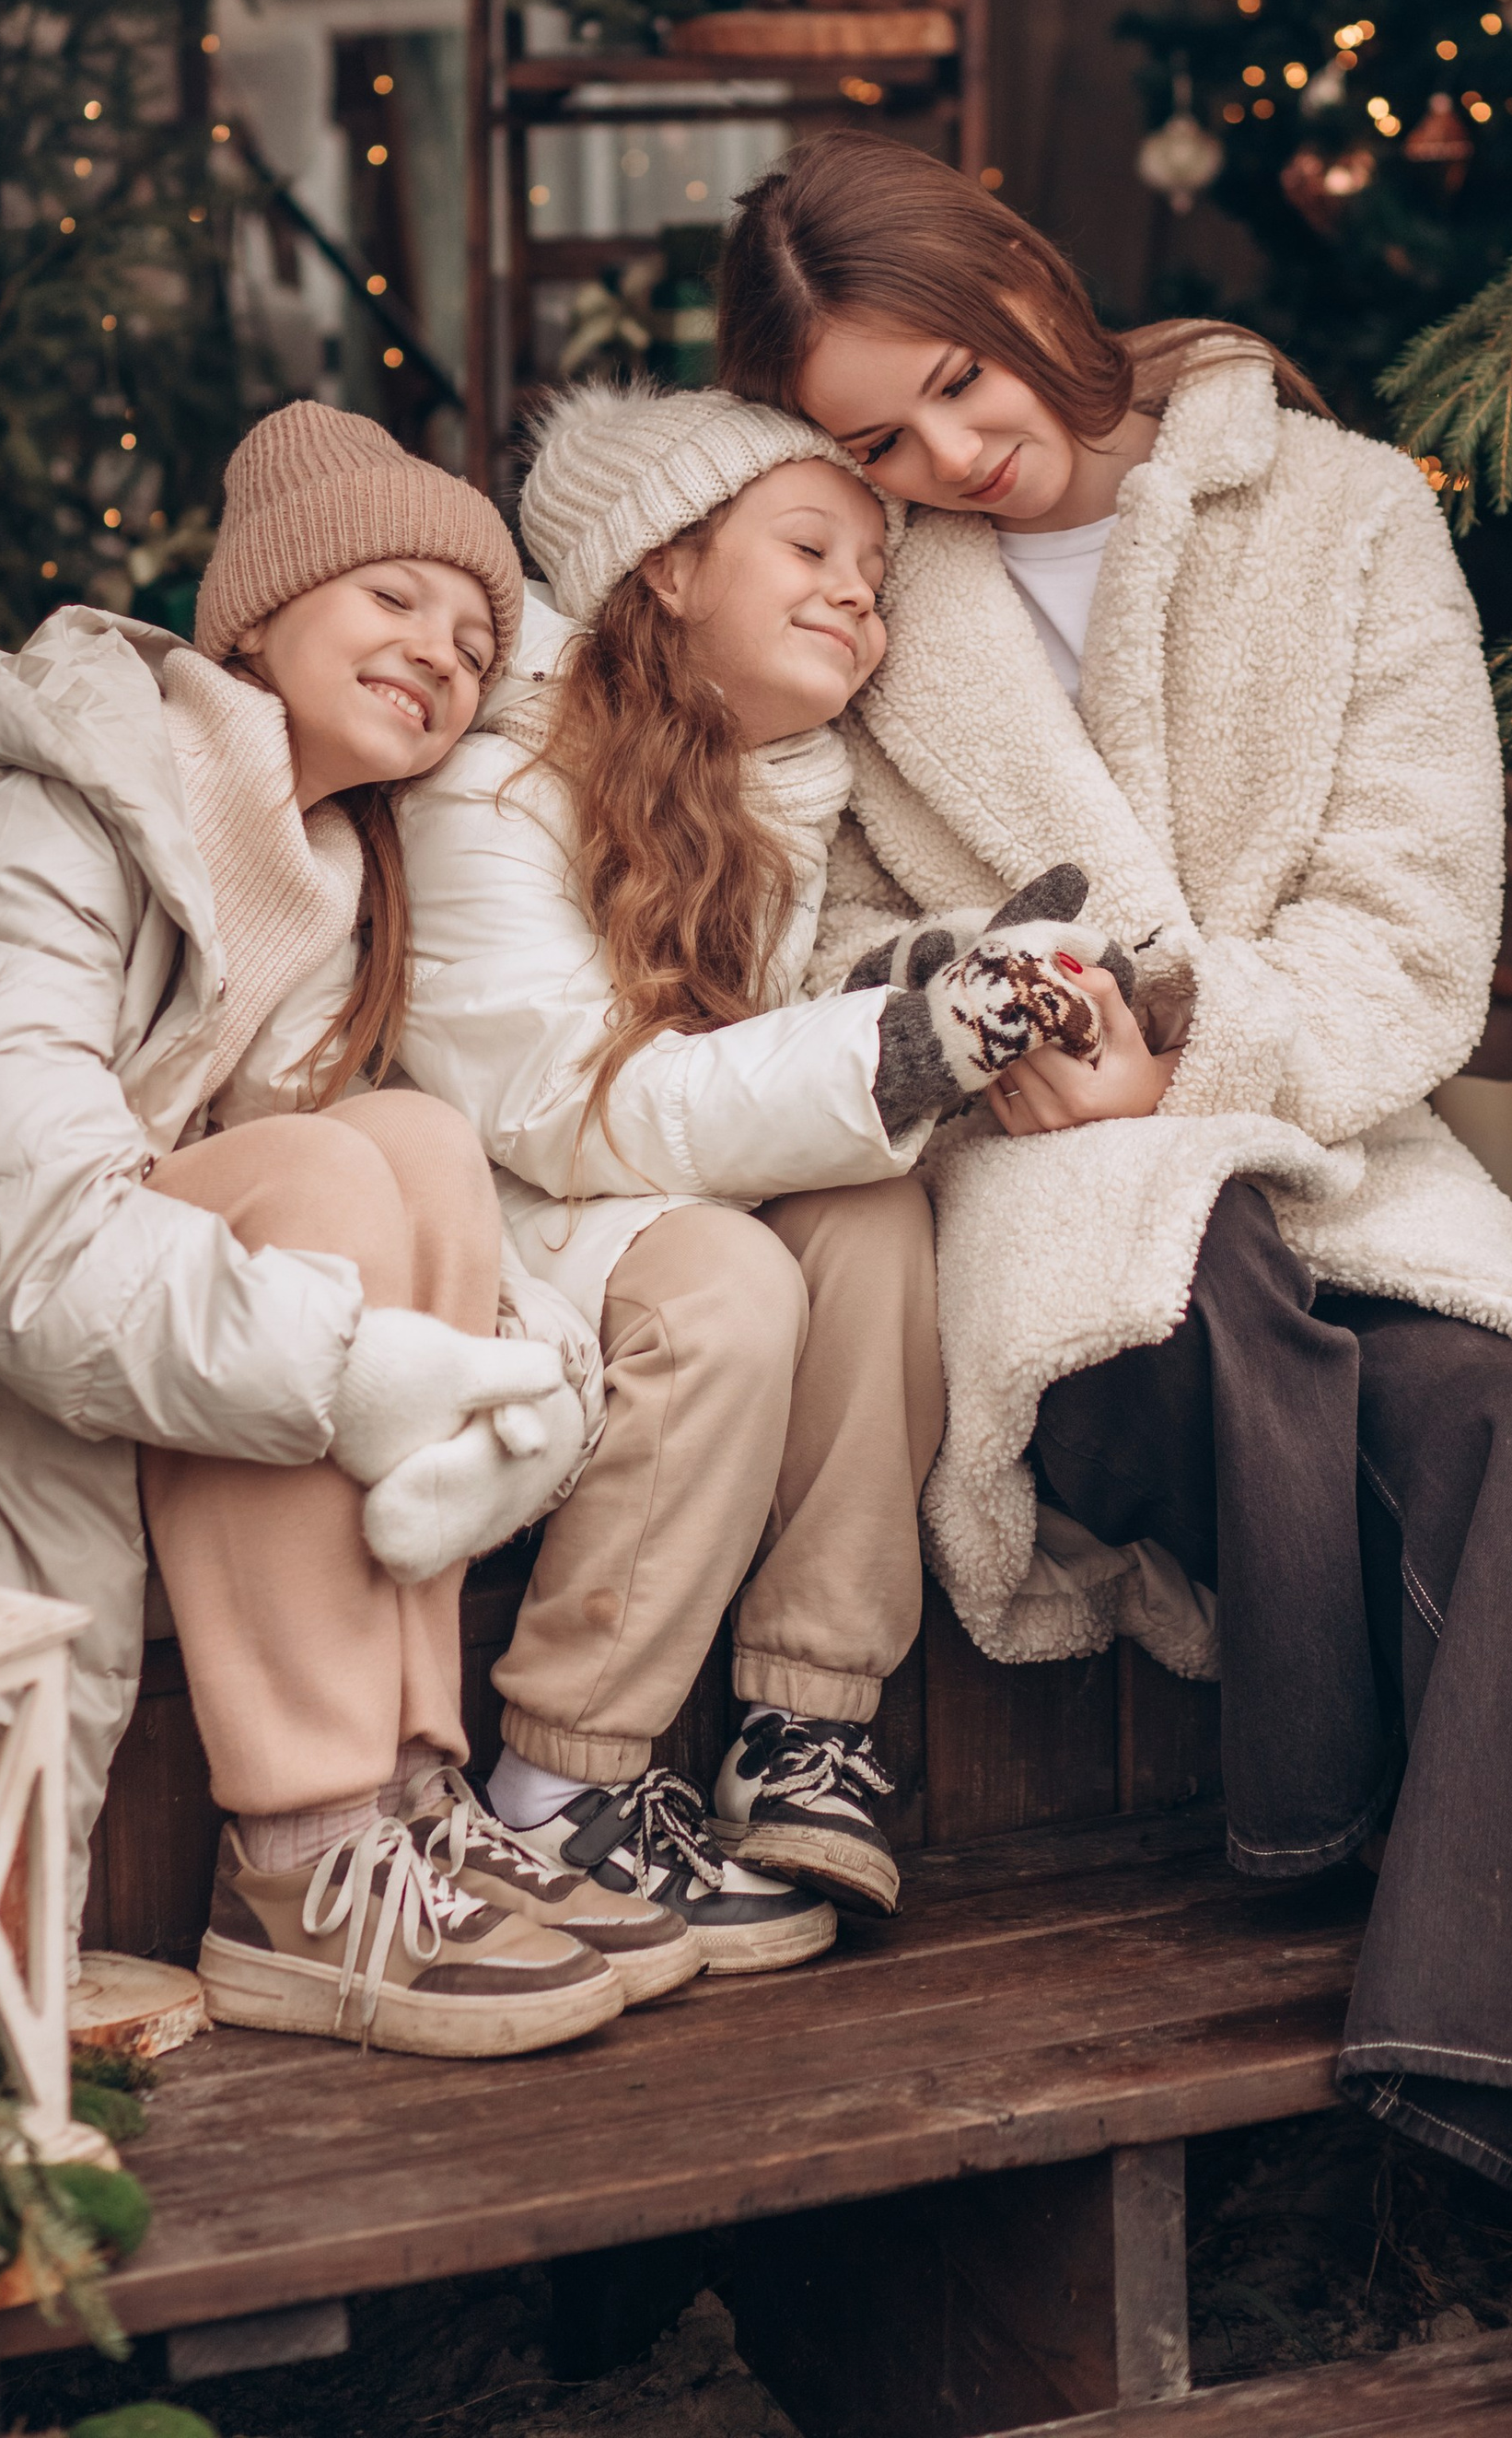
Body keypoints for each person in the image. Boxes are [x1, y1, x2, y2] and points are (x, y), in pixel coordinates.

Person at [719, 128, 1512, 2438]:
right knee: (1185, 1311)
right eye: (873, 441)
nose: (947, 458)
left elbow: (1409, 934)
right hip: (1043, 1201)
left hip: (1325, 1141)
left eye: (957, 389)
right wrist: (986, 1029)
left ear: (1014, 273)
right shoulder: (861, 586)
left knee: (1508, 1420)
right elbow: (786, 929)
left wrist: (1177, 1046)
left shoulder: (1347, 516)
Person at [0, 402, 692, 2061]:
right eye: (392, 598)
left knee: (407, 1142)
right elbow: (15, 1242)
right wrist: (348, 1368)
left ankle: (406, 1802)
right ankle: (306, 1862)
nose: (441, 657)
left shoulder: (313, 876)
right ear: (258, 610)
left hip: (58, 1318)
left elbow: (382, 1197)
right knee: (319, 1185)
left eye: (474, 642)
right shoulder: (40, 820)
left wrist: (522, 1369)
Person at [394, 380, 1105, 1975]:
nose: (859, 591)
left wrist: (955, 990)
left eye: (875, 571)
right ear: (660, 565)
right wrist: (911, 1044)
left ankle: (806, 1717)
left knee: (864, 1211)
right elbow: (562, 1106)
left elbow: (764, 1064)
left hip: (640, 1201)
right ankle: (557, 1781)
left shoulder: (767, 804)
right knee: (728, 1272)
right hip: (501, 1213)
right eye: (811, 546)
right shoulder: (497, 779)